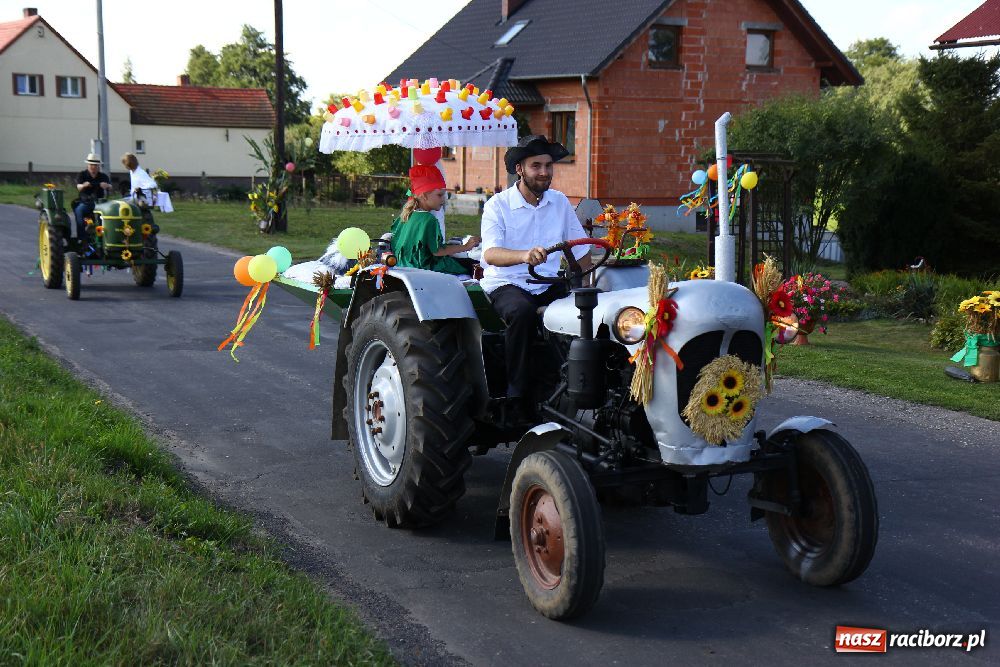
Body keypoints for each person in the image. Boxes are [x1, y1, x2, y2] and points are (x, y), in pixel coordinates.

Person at [479, 135, 592, 420]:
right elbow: (491, 254)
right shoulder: (498, 205)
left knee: (584, 313)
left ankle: (573, 386)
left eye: (548, 166)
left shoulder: (559, 202)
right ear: (520, 169)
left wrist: (589, 287)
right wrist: (523, 255)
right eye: (536, 166)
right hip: (508, 282)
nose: (544, 172)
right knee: (522, 312)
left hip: (547, 282)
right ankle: (516, 395)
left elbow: (580, 248)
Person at [390, 164, 480, 275]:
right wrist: (466, 247)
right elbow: (437, 251)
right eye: (439, 195)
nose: (443, 199)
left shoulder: (406, 215)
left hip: (403, 266)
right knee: (472, 266)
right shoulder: (429, 219)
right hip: (427, 268)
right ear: (424, 196)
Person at [74, 153, 112, 239]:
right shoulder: (82, 175)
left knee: (109, 214)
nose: (93, 167)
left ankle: (107, 238)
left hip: (100, 203)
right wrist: (84, 185)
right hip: (86, 202)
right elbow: (78, 187)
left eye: (95, 165)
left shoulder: (103, 176)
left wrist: (106, 186)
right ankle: (82, 238)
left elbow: (110, 186)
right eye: (91, 164)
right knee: (79, 211)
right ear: (88, 165)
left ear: (98, 166)